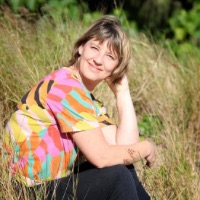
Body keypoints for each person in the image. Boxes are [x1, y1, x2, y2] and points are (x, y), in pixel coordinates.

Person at [3, 15, 156, 199]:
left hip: (47, 186)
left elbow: (124, 148)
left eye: (110, 56)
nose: (98, 60)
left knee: (122, 167)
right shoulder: (66, 87)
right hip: (22, 191)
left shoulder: (87, 100)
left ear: (116, 68)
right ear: (81, 48)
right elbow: (102, 157)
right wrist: (146, 147)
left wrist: (122, 92)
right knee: (118, 177)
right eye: (94, 48)